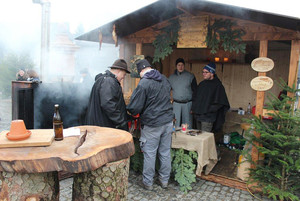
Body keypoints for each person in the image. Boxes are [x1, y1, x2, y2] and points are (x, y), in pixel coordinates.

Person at [127, 59, 173, 190]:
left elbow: (135, 107)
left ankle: (148, 183)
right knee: (165, 152)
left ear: (141, 71)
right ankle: (164, 180)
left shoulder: (144, 83)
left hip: (152, 124)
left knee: (150, 153)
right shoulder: (164, 78)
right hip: (168, 122)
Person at [85, 59, 130, 131]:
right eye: (124, 74)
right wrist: (121, 122)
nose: (123, 77)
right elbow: (108, 104)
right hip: (103, 127)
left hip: (99, 125)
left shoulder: (103, 79)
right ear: (118, 70)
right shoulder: (109, 81)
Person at [192, 62, 230, 133]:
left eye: (206, 72)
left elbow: (221, 102)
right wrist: (194, 109)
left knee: (205, 138)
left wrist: (209, 109)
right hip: (198, 116)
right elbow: (195, 97)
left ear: (212, 73)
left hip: (208, 118)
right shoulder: (202, 84)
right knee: (199, 137)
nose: (204, 74)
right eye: (203, 72)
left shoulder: (218, 86)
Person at [168, 58, 197, 129]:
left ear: (184, 66)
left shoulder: (190, 76)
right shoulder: (171, 78)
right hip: (176, 104)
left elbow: (195, 91)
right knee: (175, 123)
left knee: (187, 124)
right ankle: (175, 139)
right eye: (179, 65)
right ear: (176, 66)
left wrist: (193, 106)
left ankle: (187, 139)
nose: (180, 67)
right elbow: (166, 90)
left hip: (187, 104)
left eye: (182, 65)